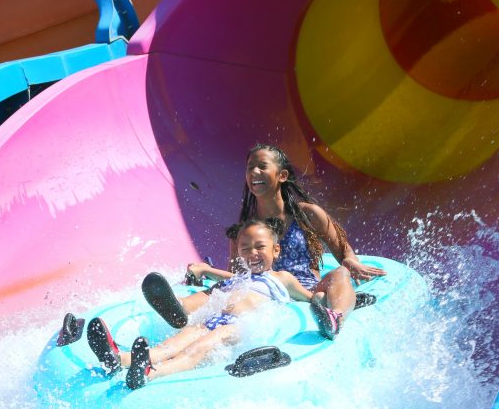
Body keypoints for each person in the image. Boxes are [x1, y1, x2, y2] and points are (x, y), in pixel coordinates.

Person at [145, 144, 386, 340]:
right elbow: (238, 276)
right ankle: (179, 308)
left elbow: (343, 250)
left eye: (262, 167)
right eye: (250, 168)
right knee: (220, 289)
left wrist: (351, 261)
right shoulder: (246, 230)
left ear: (282, 175)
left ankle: (335, 318)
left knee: (341, 272)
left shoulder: (307, 214)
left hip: (301, 289)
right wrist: (207, 272)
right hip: (261, 289)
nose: (254, 173)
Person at [87, 219, 316, 390]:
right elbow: (225, 278)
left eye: (260, 247)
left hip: (239, 327)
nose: (252, 253)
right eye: (245, 248)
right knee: (170, 345)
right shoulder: (240, 278)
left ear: (276, 250)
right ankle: (119, 360)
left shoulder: (281, 277)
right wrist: (206, 271)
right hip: (213, 321)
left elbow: (309, 296)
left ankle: (149, 373)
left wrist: (332, 302)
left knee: (195, 350)